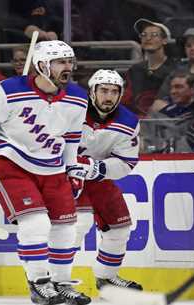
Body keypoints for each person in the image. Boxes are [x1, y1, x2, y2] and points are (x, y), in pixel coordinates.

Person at [0, 40, 91, 305]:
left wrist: (72, 168)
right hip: (10, 159)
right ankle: (39, 284)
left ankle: (61, 284)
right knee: (35, 223)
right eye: (61, 62)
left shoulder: (78, 97)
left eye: (70, 61)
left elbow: (71, 137)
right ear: (42, 65)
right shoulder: (8, 90)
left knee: (67, 227)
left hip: (52, 164)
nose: (68, 67)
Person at [74, 69, 143, 291]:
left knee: (120, 227)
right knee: (77, 225)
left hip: (97, 177)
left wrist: (97, 168)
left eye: (114, 91)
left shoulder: (129, 121)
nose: (109, 96)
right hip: (66, 177)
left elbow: (126, 162)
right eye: (103, 90)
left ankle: (106, 278)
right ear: (92, 91)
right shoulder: (72, 110)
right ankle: (52, 279)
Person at [121, 19, 177, 117]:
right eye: (143, 35)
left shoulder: (176, 69)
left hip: (166, 123)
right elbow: (126, 100)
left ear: (164, 40)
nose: (148, 38)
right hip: (138, 122)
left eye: (154, 34)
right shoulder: (135, 70)